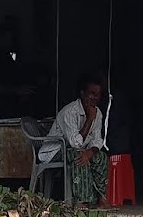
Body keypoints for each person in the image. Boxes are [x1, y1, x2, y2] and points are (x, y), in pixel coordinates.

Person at [45, 73, 108, 206]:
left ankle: (102, 197)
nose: (94, 97)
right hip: (54, 152)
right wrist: (89, 119)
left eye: (98, 94)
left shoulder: (98, 113)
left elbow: (97, 139)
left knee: (101, 157)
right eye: (91, 93)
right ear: (82, 93)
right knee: (79, 156)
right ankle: (82, 201)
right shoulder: (70, 111)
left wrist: (91, 152)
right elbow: (75, 143)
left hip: (76, 149)